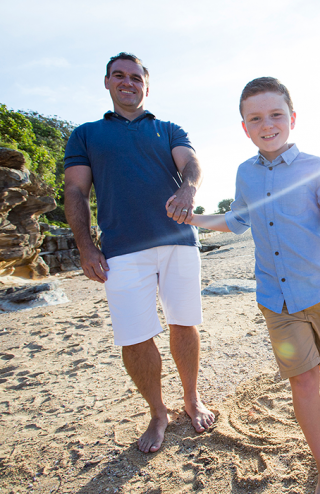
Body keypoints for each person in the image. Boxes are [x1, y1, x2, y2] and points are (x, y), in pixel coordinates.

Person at [177, 77, 320, 494]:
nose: (267, 124)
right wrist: (195, 220)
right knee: (303, 379)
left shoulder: (316, 168)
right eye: (255, 118)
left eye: (275, 115)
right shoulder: (245, 173)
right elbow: (237, 220)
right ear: (244, 127)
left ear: (291, 118)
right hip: (276, 299)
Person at [63, 52, 215, 453]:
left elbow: (192, 162)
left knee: (184, 323)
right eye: (119, 76)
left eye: (135, 77)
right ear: (108, 83)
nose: (127, 82)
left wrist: (188, 189)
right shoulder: (86, 134)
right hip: (122, 250)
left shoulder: (167, 129)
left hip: (178, 240)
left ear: (146, 85)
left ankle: (191, 398)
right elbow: (76, 191)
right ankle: (157, 412)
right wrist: (85, 247)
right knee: (134, 336)